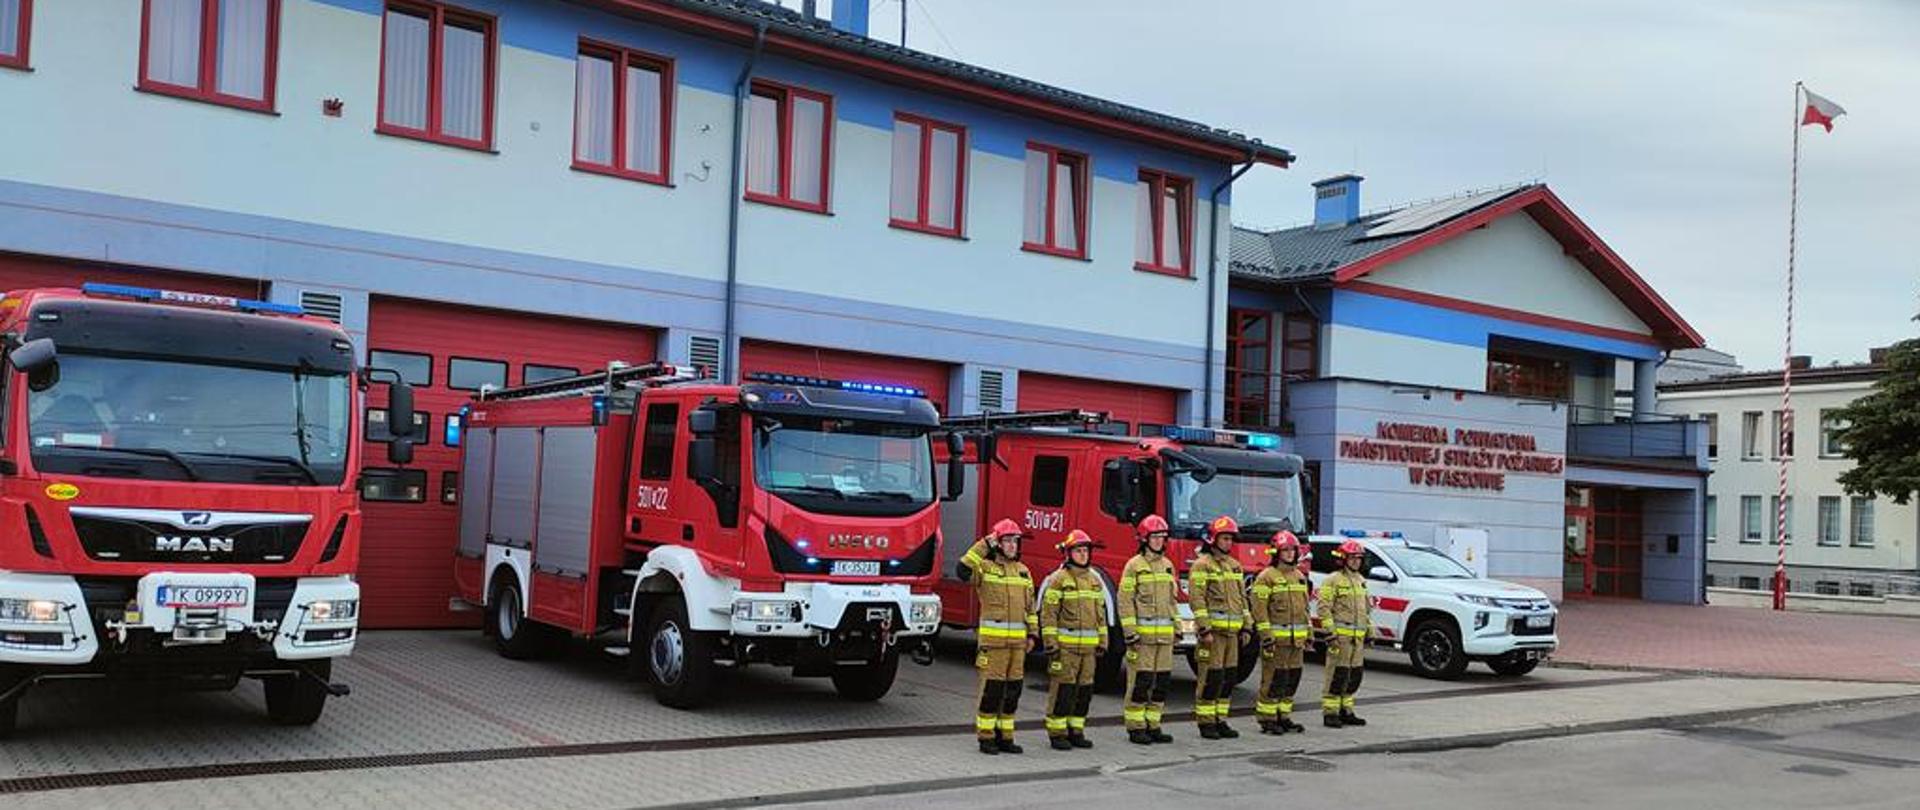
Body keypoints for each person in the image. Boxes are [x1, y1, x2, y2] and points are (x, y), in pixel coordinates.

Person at [956, 518, 1039, 754]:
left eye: (1015, 541)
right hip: (994, 646)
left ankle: (1006, 736)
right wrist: (985, 543)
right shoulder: (985, 568)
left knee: (1012, 691)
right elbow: (963, 569)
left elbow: (1030, 608)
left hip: (1018, 646)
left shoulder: (1024, 572)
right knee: (992, 691)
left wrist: (1032, 635)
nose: (1012, 545)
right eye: (1007, 541)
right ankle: (986, 736)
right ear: (998, 544)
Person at [1038, 529, 1108, 750]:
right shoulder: (1058, 580)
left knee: (1084, 691)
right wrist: (1050, 644)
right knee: (1063, 691)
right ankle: (1057, 733)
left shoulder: (1095, 580)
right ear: (1068, 553)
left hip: (1088, 650)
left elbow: (1101, 615)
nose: (1083, 555)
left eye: (1085, 550)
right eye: (1078, 551)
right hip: (1065, 649)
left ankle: (1076, 730)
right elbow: (1048, 615)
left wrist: (1103, 641)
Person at [1188, 515, 1252, 740]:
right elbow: (1197, 598)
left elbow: (1242, 599)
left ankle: (1221, 719)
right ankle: (1206, 722)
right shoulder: (1202, 565)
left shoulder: (1234, 566)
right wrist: (1204, 629)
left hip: (1232, 634)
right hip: (1213, 635)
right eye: (1224, 538)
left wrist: (1247, 627)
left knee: (1227, 678)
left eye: (1230, 539)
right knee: (1211, 678)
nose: (1228, 543)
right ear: (1213, 539)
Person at [1118, 514, 1179, 745]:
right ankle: (1136, 726)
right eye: (1154, 537)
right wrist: (1130, 633)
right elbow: (1125, 600)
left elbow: (1172, 602)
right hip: (1142, 639)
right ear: (1144, 539)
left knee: (1161, 682)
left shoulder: (1168, 566)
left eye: (1162, 537)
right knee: (1140, 683)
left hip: (1164, 638)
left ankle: (1154, 724)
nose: (1158, 541)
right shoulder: (1134, 566)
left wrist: (1178, 627)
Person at [1250, 531, 1312, 734]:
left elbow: (1305, 609)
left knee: (1291, 678)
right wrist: (1266, 637)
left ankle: (1283, 716)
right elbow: (1259, 610)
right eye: (1285, 550)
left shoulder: (1299, 577)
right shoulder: (1266, 577)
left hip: (1296, 641)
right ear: (1277, 552)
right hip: (1276, 642)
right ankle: (1267, 718)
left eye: (1292, 550)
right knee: (1273, 679)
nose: (1289, 554)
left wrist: (1309, 632)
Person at [1319, 539, 1372, 729]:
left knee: (1353, 675)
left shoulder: (1361, 581)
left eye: (1359, 558)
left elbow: (1366, 610)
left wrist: (1370, 630)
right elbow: (1324, 608)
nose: (1357, 562)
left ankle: (1346, 710)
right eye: (1353, 558)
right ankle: (1330, 712)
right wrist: (1330, 633)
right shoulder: (1332, 580)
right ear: (1343, 559)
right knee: (1336, 675)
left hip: (1357, 639)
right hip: (1340, 638)